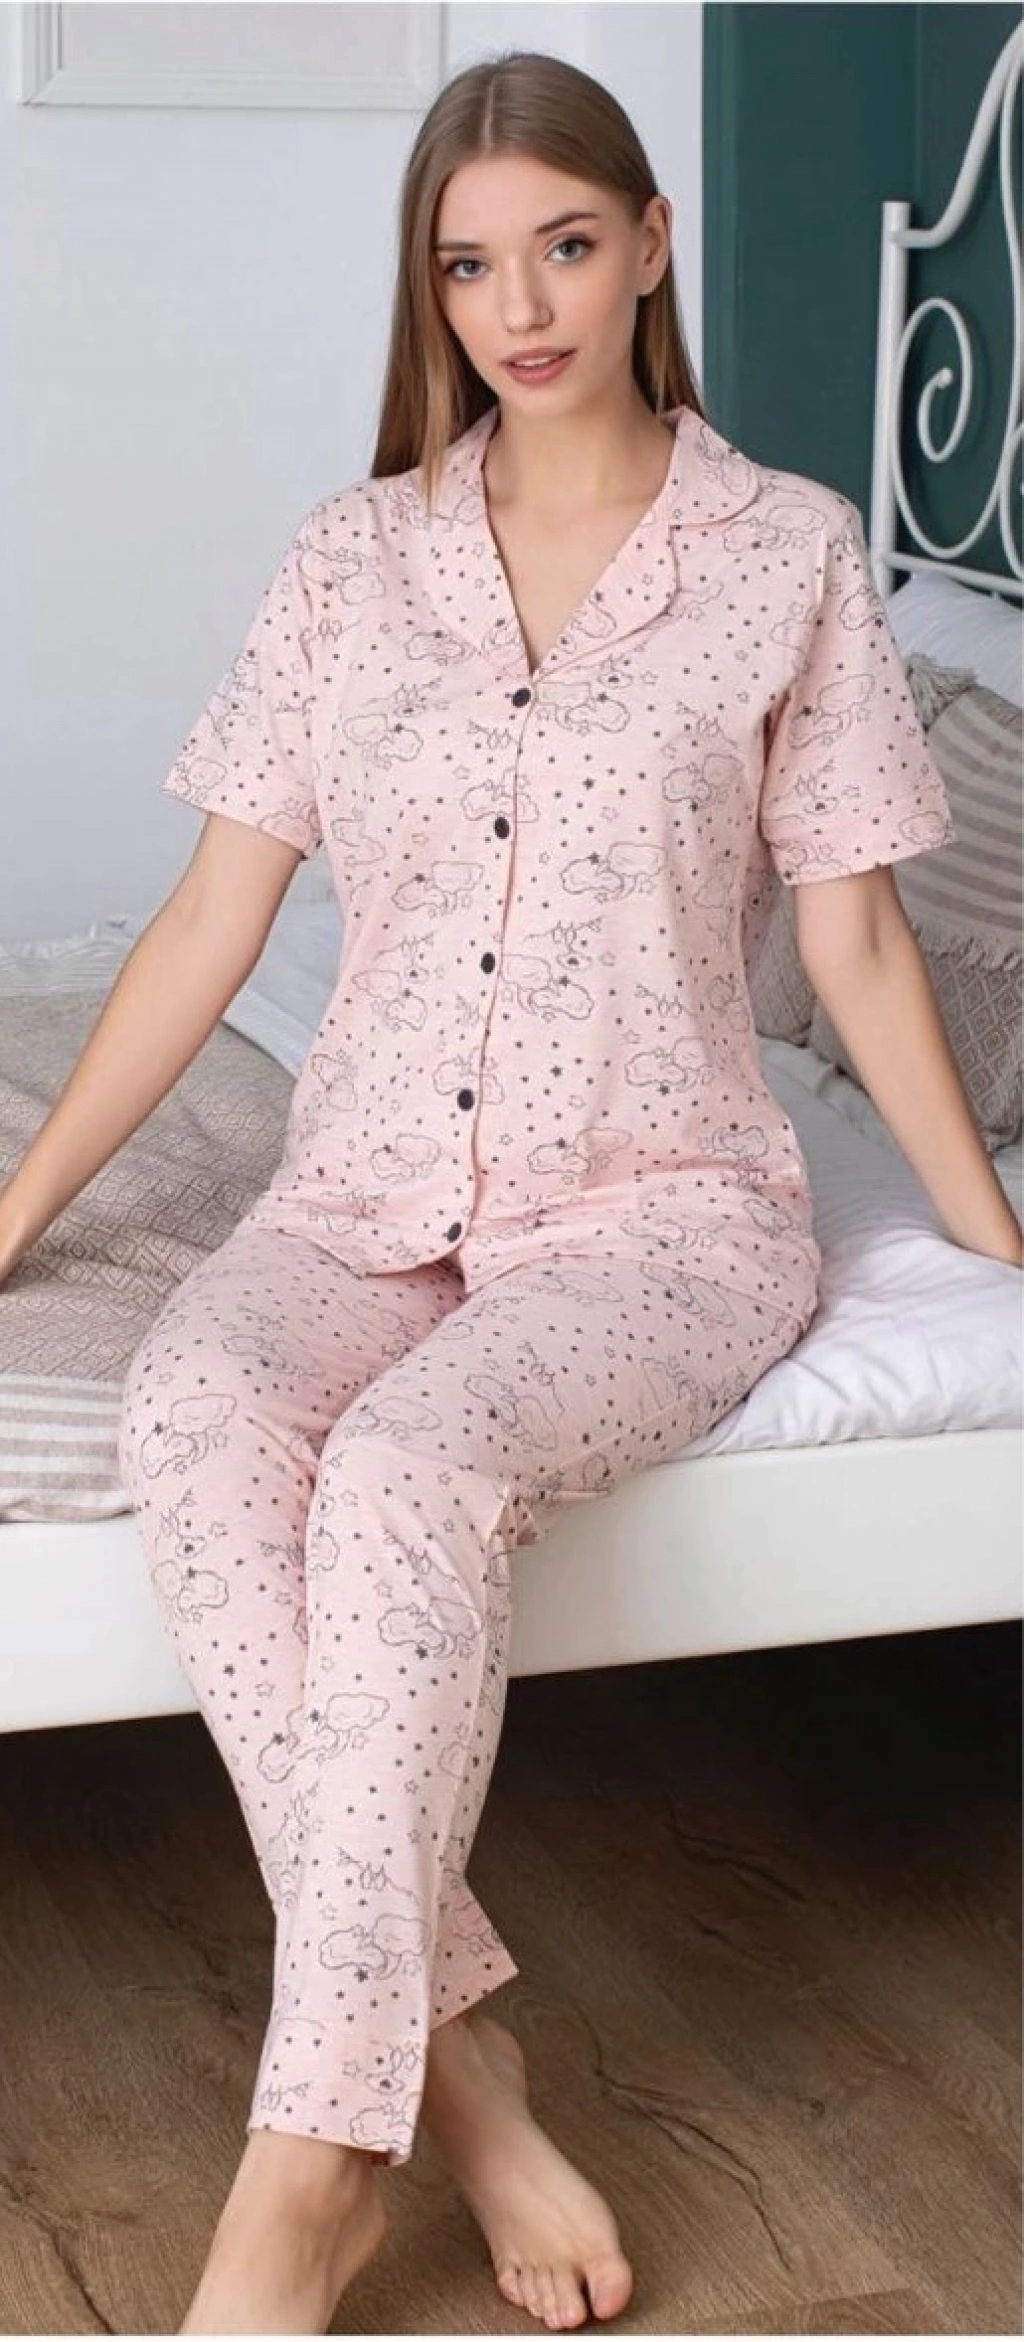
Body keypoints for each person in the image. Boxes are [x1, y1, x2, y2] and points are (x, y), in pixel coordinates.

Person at [2, 43, 1021, 2341]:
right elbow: (210, 920)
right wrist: (13, 1214)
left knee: (398, 1474)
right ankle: (464, 2077)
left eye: (563, 244)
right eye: (469, 266)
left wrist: (992, 1239)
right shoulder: (351, 559)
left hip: (656, 1216)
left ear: (649, 241)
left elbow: (856, 942)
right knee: (192, 1410)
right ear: (431, 290)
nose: (519, 306)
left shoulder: (786, 557)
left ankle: (305, 2171)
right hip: (357, 1186)